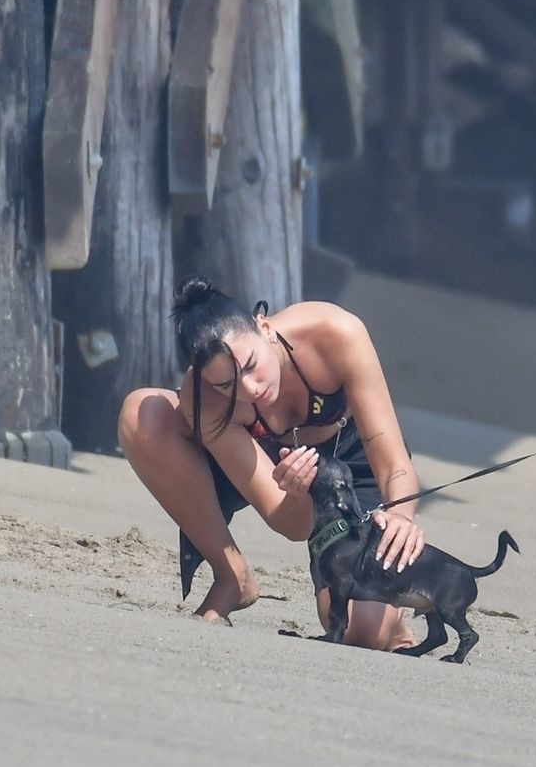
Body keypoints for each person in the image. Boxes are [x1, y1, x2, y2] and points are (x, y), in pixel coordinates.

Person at [117, 276, 429, 649]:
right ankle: (231, 576)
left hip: (351, 460)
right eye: (226, 385)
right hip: (269, 463)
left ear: (264, 327)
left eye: (251, 365)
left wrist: (400, 516)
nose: (250, 389)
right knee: (143, 413)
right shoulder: (205, 399)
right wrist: (297, 494)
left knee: (361, 631)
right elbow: (291, 524)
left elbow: (392, 460)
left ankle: (394, 622)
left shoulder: (335, 333)